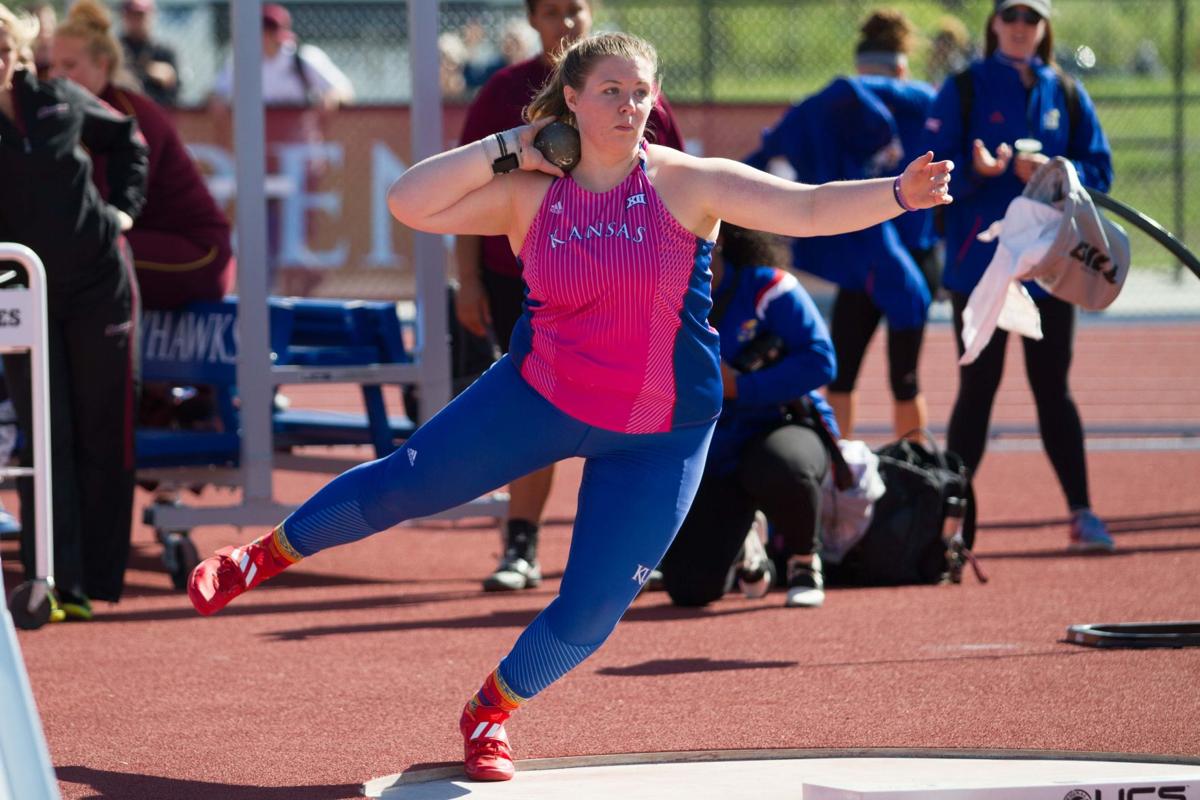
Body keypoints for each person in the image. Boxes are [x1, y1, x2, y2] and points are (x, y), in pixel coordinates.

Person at [186, 31, 953, 782]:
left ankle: (490, 712)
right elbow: (409, 201)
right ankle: (261, 555)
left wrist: (896, 195)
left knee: (590, 614)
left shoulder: (688, 183)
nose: (628, 105)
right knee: (396, 487)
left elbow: (809, 208)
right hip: (538, 394)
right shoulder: (528, 189)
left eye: (640, 92)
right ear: (573, 102)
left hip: (660, 432)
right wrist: (509, 146)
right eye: (610, 91)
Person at [456, 0, 687, 593]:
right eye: (552, 11)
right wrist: (470, 279)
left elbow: (679, 179)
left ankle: (635, 547)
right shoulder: (503, 91)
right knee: (538, 411)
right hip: (525, 276)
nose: (566, 22)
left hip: (624, 278)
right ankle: (522, 544)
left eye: (576, 9)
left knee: (634, 405)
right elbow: (466, 186)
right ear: (532, 20)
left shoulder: (640, 96)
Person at [923, 0, 1115, 551]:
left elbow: (1100, 170)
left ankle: (1082, 513)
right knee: (976, 390)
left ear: (1045, 27)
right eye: (1010, 17)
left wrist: (1059, 173)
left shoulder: (1068, 93)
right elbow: (927, 164)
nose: (1019, 29)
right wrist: (982, 167)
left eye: (1031, 19)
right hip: (980, 266)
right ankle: (949, 525)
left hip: (1052, 267)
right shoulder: (963, 87)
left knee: (1053, 388)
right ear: (994, 23)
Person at [0, 2, 148, 621]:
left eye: (4, 48)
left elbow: (128, 139)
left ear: (16, 51)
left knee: (99, 428)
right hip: (23, 295)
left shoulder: (59, 97)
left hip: (98, 287)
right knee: (44, 435)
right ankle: (56, 580)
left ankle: (96, 580)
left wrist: (125, 211)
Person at [746, 8, 935, 441]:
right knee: (900, 379)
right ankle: (888, 470)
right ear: (901, 66)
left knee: (849, 375)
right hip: (879, 257)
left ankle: (856, 478)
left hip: (879, 256)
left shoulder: (842, 101)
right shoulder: (926, 100)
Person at [658, 223, 838, 609]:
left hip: (780, 427)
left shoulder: (768, 287)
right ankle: (748, 545)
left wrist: (742, 387)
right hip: (711, 450)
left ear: (717, 238)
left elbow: (821, 360)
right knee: (689, 589)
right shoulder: (657, 302)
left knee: (781, 465)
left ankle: (805, 561)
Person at [52, 0, 233, 310]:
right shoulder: (66, 113)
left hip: (199, 257)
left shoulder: (130, 113)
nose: (57, 76)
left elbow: (109, 211)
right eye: (51, 66)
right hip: (145, 244)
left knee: (75, 256)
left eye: (70, 66)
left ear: (103, 65)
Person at [209, 2, 353, 297]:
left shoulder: (304, 59)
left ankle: (292, 291)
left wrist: (330, 99)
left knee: (293, 232)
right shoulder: (242, 62)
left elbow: (343, 90)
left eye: (278, 31)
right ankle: (271, 292)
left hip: (300, 163)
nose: (274, 38)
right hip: (258, 163)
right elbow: (216, 96)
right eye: (268, 30)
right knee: (264, 231)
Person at [118, 0, 179, 108]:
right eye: (131, 15)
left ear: (151, 16)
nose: (136, 20)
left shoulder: (163, 51)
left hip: (156, 109)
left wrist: (168, 78)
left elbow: (175, 92)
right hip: (123, 108)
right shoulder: (117, 48)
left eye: (140, 15)